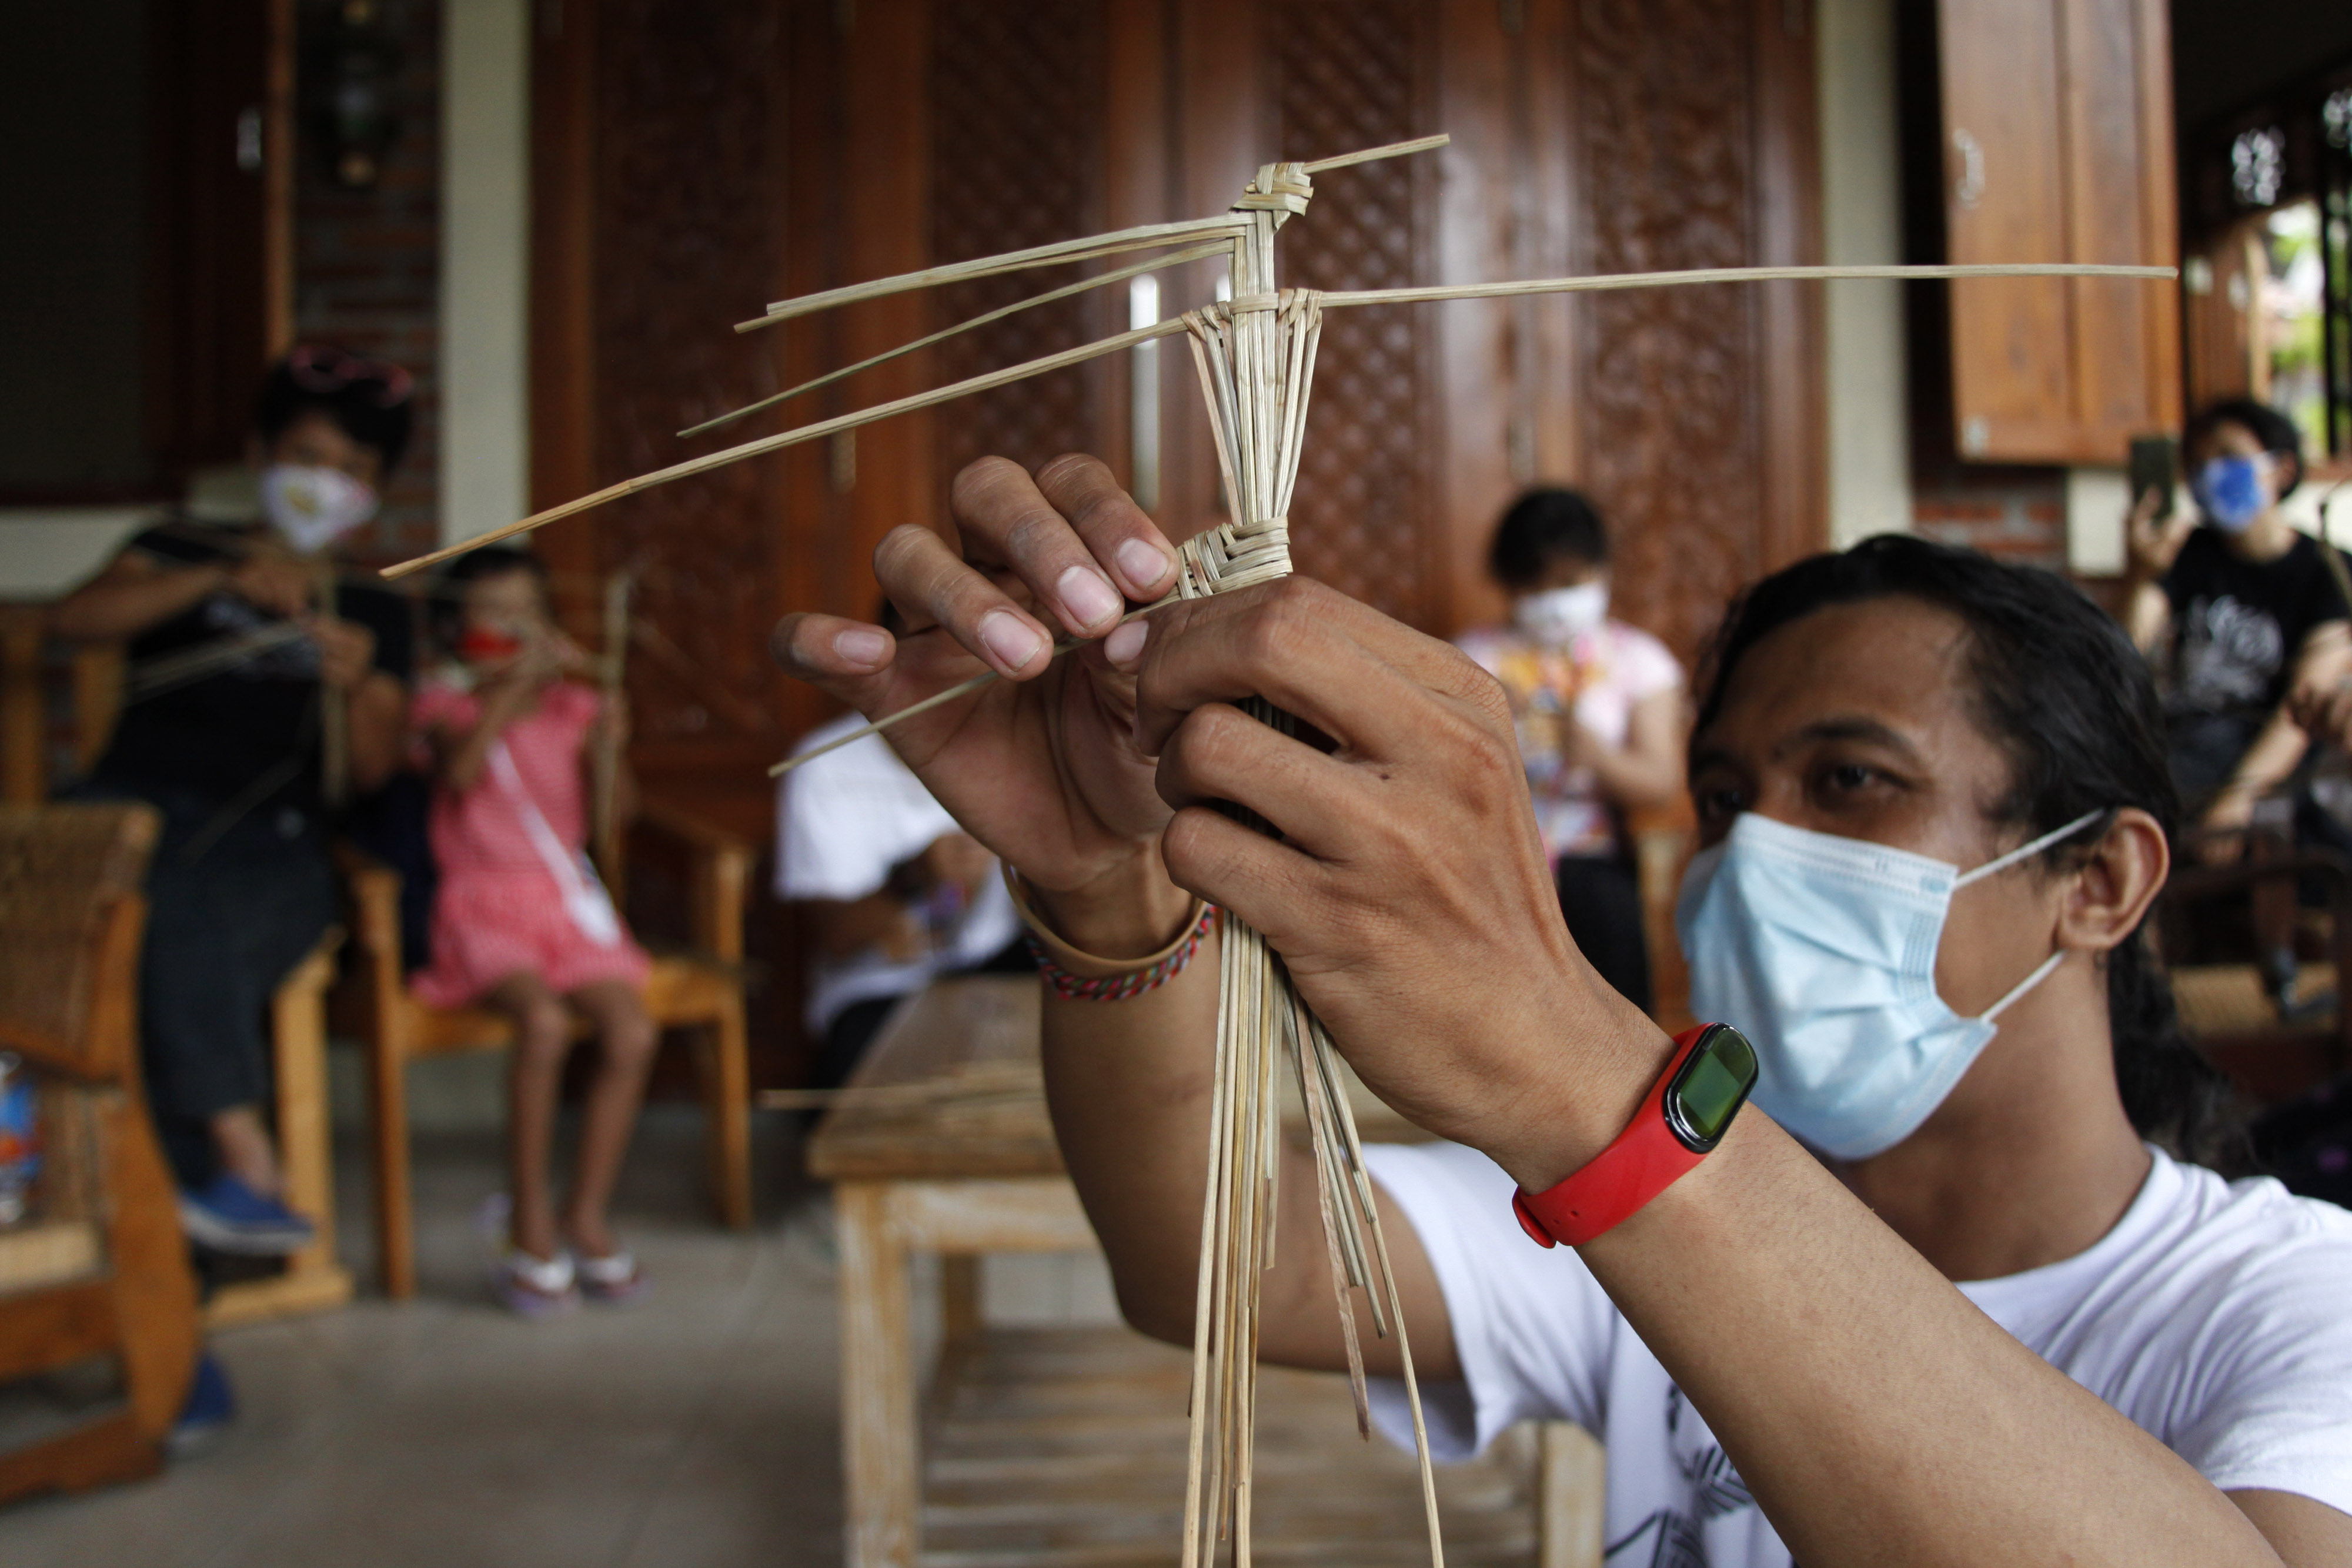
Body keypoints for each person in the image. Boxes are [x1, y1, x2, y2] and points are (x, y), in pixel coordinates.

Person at [772, 453, 2352, 1567]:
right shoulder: (1634, 1249)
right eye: (1729, 797)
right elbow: (1220, 1262)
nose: (1757, 854)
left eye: (1854, 784)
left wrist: (1570, 1059)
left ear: (2100, 882)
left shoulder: (2292, 1306)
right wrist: (1108, 892)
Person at [51, 345, 415, 1255]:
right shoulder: (177, 545)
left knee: (155, 921)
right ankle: (234, 1155)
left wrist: (358, 685)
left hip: (278, 845)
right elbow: (73, 619)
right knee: (141, 894)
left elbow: (374, 770)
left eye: (353, 470)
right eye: (309, 457)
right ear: (259, 452)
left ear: (376, 489)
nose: (326, 482)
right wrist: (221, 576)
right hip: (126, 811)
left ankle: (171, 1232)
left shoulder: (377, 608)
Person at [409, 547, 655, 1315]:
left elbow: (620, 815)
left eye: (527, 609)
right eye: (494, 611)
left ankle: (583, 1208)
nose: (513, 625)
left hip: (566, 904)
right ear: (457, 628)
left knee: (631, 1033)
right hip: (484, 904)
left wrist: (611, 742)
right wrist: (515, 684)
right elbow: (457, 775)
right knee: (544, 1024)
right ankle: (527, 1217)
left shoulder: (576, 709)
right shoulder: (443, 706)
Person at [774, 608, 1022, 1092]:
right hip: (878, 993)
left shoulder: (1006, 744)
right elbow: (837, 938)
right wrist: (914, 877)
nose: (953, 675)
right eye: (932, 656)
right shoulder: (824, 766)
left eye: (969, 658)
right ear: (884, 661)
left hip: (994, 969)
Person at [1455, 490, 1682, 1009]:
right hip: (1497, 852)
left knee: (1606, 929)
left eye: (1570, 583)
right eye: (1536, 586)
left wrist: (1600, 757)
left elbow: (1661, 778)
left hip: (1593, 856)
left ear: (1602, 571)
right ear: (1509, 585)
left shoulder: (1638, 660)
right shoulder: (1472, 657)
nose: (1554, 600)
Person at [2122, 398, 2352, 864]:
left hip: (2254, 748)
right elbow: (2127, 650)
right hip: (2180, 737)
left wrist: (2237, 799)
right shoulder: (2190, 552)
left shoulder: (2325, 570)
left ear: (2282, 470)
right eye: (2199, 464)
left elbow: (2303, 705)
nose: (2211, 474)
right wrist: (2141, 573)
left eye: (2228, 456)